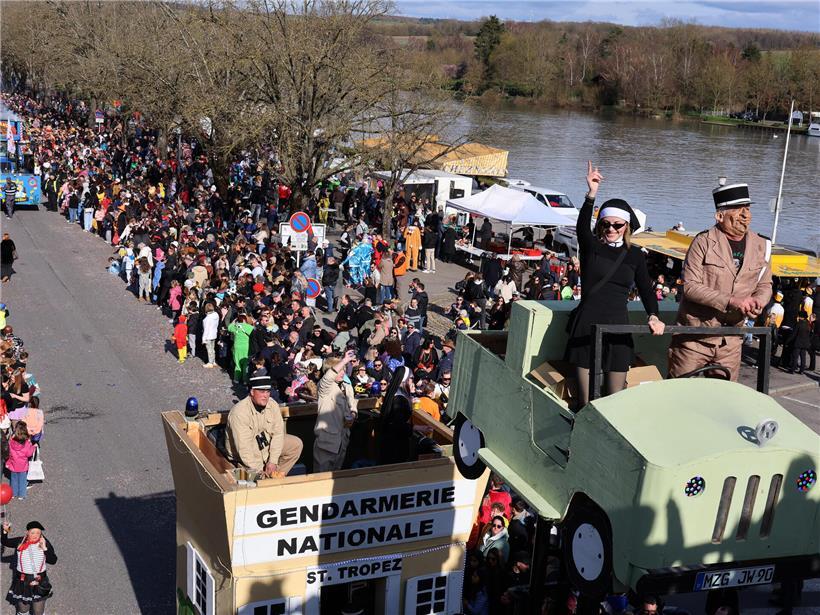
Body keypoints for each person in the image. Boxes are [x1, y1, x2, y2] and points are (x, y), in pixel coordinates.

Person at [566, 161, 663, 406]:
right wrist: (591, 194)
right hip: (587, 324)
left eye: (617, 225)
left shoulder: (635, 255)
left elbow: (646, 289)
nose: (611, 228)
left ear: (626, 226)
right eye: (606, 224)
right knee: (585, 400)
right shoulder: (592, 248)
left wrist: (653, 315)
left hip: (618, 326)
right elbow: (581, 229)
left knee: (614, 399)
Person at [668, 181, 772, 381]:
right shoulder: (703, 242)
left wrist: (759, 300)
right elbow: (690, 287)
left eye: (747, 209)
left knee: (724, 400)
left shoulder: (762, 245)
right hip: (694, 339)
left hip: (730, 341)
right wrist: (731, 301)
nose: (745, 215)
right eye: (737, 209)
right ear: (719, 215)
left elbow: (765, 284)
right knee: (680, 397)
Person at [225, 373, 303, 478]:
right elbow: (244, 449)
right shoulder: (239, 413)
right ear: (252, 392)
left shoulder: (272, 404)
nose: (265, 395)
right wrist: (259, 470)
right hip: (244, 456)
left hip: (264, 445)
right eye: (261, 392)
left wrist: (273, 461)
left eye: (267, 391)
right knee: (255, 476)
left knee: (295, 444)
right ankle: (268, 478)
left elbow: (278, 434)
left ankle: (276, 476)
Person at [314, 350, 359, 472]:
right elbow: (329, 377)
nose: (343, 372)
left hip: (342, 440)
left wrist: (353, 414)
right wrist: (344, 360)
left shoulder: (345, 385)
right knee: (321, 478)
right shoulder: (324, 387)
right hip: (327, 442)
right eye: (339, 370)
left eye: (344, 369)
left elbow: (352, 402)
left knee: (337, 475)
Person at [2, 520, 57, 615]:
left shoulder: (44, 542)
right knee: (23, 609)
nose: (35, 535)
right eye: (32, 532)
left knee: (38, 611)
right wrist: (5, 531)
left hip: (39, 580)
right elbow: (5, 541)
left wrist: (45, 549)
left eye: (38, 532)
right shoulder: (20, 541)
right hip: (23, 580)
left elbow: (53, 560)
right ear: (27, 532)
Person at [6, 421, 35, 500]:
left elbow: (9, 452)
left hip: (13, 465)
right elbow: (29, 454)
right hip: (23, 466)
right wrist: (33, 447)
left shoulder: (11, 442)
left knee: (13, 480)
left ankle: (13, 493)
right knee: (22, 481)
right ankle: (21, 495)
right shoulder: (26, 443)